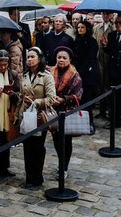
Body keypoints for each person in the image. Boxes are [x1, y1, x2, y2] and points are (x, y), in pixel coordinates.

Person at [17, 47, 57, 189]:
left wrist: (37, 102)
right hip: (26, 114)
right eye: (28, 57)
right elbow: (21, 95)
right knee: (27, 146)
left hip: (39, 115)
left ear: (39, 59)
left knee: (38, 147)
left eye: (32, 57)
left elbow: (52, 98)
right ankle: (29, 177)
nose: (29, 59)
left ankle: (37, 178)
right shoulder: (25, 75)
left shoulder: (46, 76)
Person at [49, 46, 83, 175]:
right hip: (54, 110)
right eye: (59, 57)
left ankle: (64, 167)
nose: (61, 60)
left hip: (67, 111)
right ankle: (60, 163)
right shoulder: (51, 71)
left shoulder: (75, 76)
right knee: (57, 141)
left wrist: (64, 99)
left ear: (69, 60)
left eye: (64, 58)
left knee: (66, 141)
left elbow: (78, 94)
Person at [0, 50, 21, 180]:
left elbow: (19, 93)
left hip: (8, 112)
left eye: (5, 65)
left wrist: (12, 94)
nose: (3, 67)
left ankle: (4, 167)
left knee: (6, 140)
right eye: (1, 65)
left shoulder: (12, 74)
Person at [71, 19, 100, 108]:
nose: (80, 29)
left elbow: (90, 58)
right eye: (78, 27)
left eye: (82, 27)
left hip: (88, 72)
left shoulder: (92, 41)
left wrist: (81, 70)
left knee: (87, 97)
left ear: (87, 28)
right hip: (77, 70)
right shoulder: (76, 40)